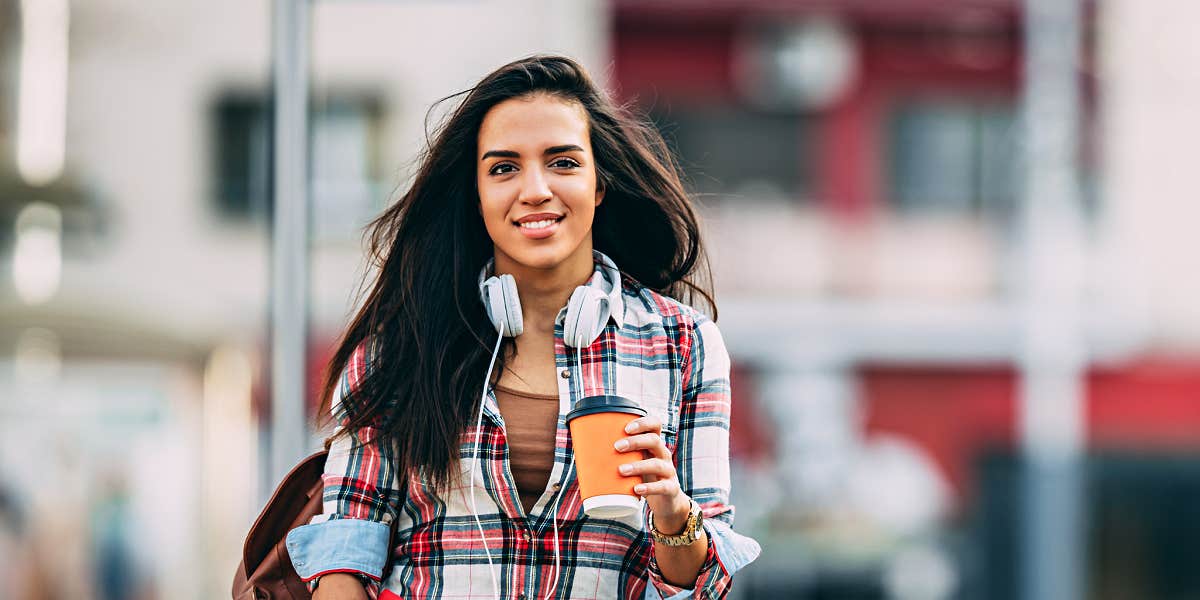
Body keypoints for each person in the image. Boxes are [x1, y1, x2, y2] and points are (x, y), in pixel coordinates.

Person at [286, 54, 760, 600]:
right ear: (477, 193)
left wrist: (675, 514)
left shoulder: (684, 344)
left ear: (599, 184)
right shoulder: (400, 346)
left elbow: (699, 588)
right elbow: (345, 552)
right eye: (504, 168)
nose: (534, 190)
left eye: (562, 162)